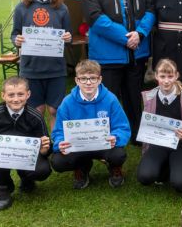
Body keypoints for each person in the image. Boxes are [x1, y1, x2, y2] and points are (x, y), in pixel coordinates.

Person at [81, 0, 155, 146]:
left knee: (134, 96)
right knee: (110, 99)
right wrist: (125, 38)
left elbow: (150, 9)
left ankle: (136, 133)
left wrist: (140, 34)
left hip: (136, 52)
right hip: (108, 54)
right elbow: (94, 17)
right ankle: (110, 136)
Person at [11, 0, 72, 130]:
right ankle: (41, 150)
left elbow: (69, 36)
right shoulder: (22, 7)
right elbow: (15, 34)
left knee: (55, 110)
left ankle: (57, 148)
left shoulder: (61, 8)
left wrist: (68, 38)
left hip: (56, 69)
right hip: (31, 69)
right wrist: (17, 40)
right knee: (36, 112)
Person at [51, 60, 131, 189]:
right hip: (78, 145)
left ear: (100, 79)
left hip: (104, 144)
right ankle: (82, 167)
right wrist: (60, 142)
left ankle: (114, 167)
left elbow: (122, 127)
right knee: (58, 162)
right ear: (77, 80)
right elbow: (58, 131)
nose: (88, 83)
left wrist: (115, 137)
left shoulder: (110, 99)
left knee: (118, 155)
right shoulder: (67, 102)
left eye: (93, 78)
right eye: (83, 79)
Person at [137, 59, 182, 192]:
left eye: (170, 76)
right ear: (156, 76)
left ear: (176, 76)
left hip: (180, 145)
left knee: (180, 184)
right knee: (145, 177)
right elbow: (147, 124)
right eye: (162, 76)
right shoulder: (149, 97)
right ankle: (164, 167)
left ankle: (174, 167)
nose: (166, 81)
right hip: (158, 143)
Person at [0, 77, 51, 210]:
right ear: (3, 95)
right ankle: (4, 188)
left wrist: (44, 148)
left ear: (28, 94)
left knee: (42, 170)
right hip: (2, 155)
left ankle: (26, 178)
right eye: (11, 95)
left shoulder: (35, 116)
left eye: (20, 94)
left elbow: (45, 148)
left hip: (27, 156)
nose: (16, 99)